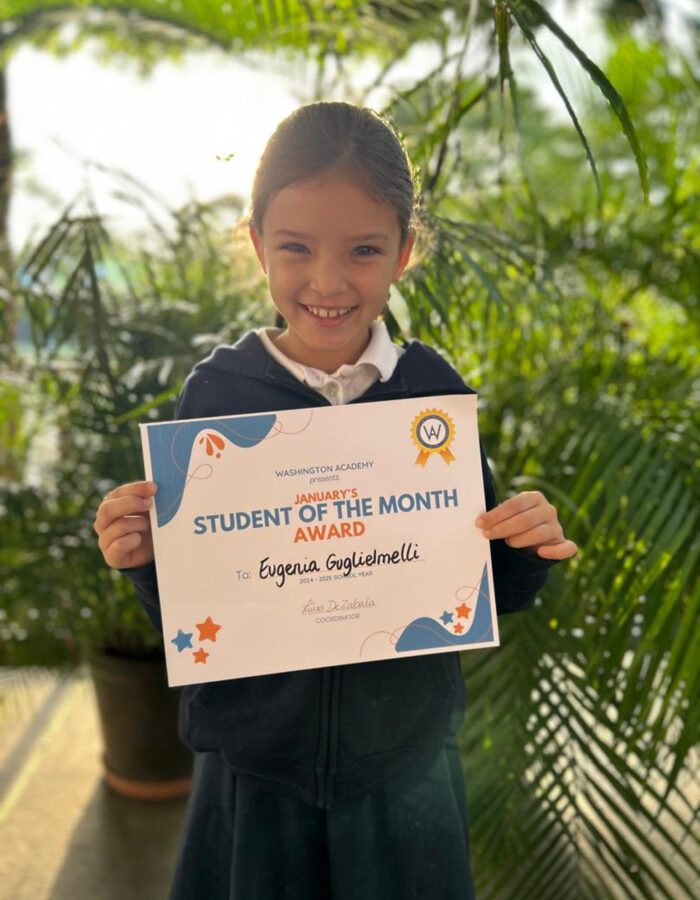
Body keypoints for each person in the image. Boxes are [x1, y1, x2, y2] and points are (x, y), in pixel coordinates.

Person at [93, 102, 577, 900]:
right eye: (296, 248)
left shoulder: (431, 394)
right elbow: (194, 612)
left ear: (403, 252)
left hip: (405, 774)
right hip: (255, 775)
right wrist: (146, 560)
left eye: (363, 250)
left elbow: (483, 586)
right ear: (257, 245)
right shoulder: (216, 397)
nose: (326, 281)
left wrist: (525, 547)